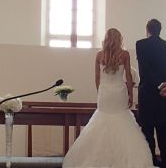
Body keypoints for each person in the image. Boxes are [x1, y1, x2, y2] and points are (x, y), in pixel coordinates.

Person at [62, 28, 155, 168]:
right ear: (119, 39)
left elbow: (97, 77)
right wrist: (130, 95)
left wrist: (100, 92)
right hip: (119, 92)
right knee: (122, 120)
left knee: (102, 120)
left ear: (106, 39)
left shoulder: (99, 55)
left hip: (105, 92)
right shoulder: (124, 54)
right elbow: (128, 76)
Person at [136, 19, 166, 168]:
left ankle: (151, 162)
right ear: (160, 30)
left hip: (147, 94)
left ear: (147, 30)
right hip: (164, 95)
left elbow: (145, 70)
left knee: (147, 130)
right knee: (164, 129)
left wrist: (158, 84)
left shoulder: (140, 45)